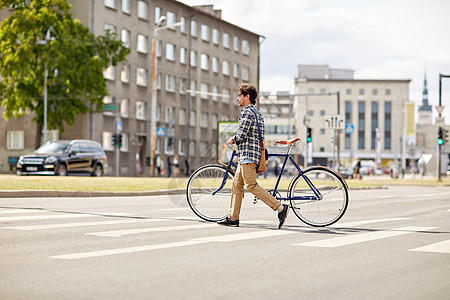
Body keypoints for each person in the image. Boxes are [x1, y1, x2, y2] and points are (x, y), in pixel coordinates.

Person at [217, 82, 289, 229]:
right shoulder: (257, 112)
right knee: (237, 184)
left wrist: (233, 139)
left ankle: (280, 208)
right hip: (251, 154)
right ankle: (233, 217)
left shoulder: (247, 112)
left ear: (247, 96)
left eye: (239, 96)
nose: (237, 98)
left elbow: (242, 134)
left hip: (248, 155)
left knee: (251, 185)